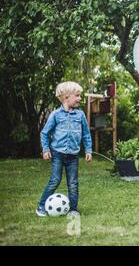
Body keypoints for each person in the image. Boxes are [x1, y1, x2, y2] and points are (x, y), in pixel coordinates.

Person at [36, 81, 92, 217]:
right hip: (57, 154)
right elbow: (44, 133)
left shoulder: (80, 115)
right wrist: (45, 149)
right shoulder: (56, 115)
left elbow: (86, 134)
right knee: (55, 179)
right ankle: (41, 207)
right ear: (66, 97)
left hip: (73, 156)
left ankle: (73, 210)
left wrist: (88, 150)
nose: (80, 98)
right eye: (77, 95)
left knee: (73, 183)